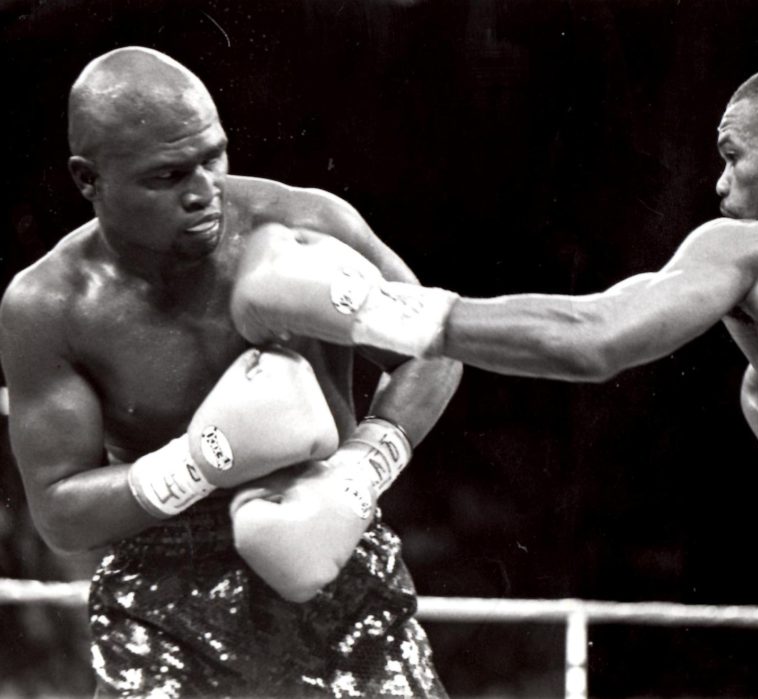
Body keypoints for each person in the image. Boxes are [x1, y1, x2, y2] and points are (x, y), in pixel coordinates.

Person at [264, 56, 758, 697]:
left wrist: (375, 312)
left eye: (732, 156)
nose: (721, 187)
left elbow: (593, 338)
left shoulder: (755, 247)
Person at [0, 46, 461, 698]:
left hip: (329, 541)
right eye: (167, 176)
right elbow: (59, 510)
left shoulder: (307, 226)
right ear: (87, 179)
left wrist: (366, 463)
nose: (202, 191)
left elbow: (433, 347)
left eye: (212, 156)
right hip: (163, 589)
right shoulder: (51, 306)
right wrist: (195, 462)